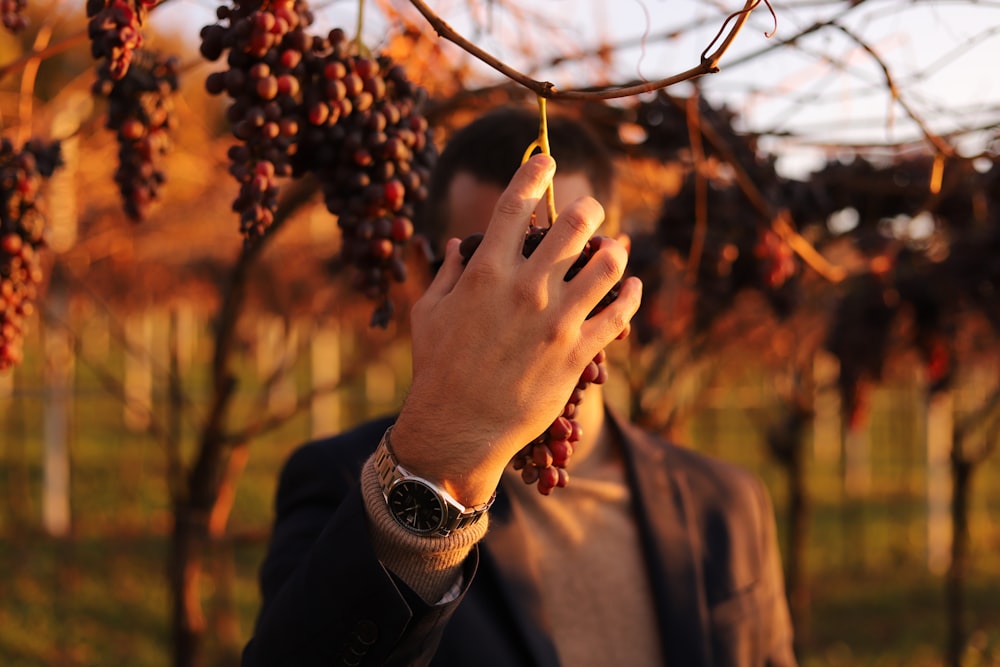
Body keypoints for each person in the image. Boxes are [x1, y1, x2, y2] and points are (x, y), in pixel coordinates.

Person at [242, 107, 797, 667]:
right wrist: (436, 471)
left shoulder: (727, 503)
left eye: (562, 262)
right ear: (423, 271)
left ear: (616, 267)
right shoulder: (342, 488)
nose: (526, 301)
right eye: (486, 269)